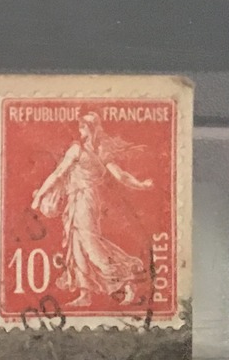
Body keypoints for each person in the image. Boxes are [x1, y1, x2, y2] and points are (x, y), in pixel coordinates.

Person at [29, 111, 154, 308]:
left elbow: (59, 174)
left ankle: (126, 280)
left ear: (89, 129)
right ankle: (85, 294)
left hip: (85, 201)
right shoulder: (93, 152)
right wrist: (141, 184)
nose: (80, 131)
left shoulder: (80, 150)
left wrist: (38, 196)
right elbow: (60, 174)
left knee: (90, 244)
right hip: (79, 201)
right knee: (76, 244)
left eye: (82, 127)